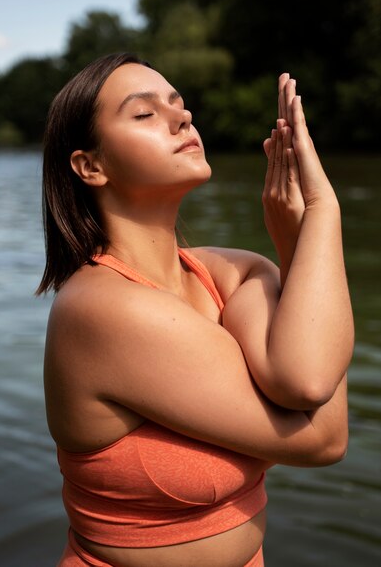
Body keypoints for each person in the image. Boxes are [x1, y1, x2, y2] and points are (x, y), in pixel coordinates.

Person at [37, 52, 354, 567]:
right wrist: (322, 214)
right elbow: (321, 433)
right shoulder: (102, 307)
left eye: (178, 104)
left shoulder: (230, 272)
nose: (182, 117)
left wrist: (298, 247)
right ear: (90, 166)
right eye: (144, 114)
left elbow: (303, 374)